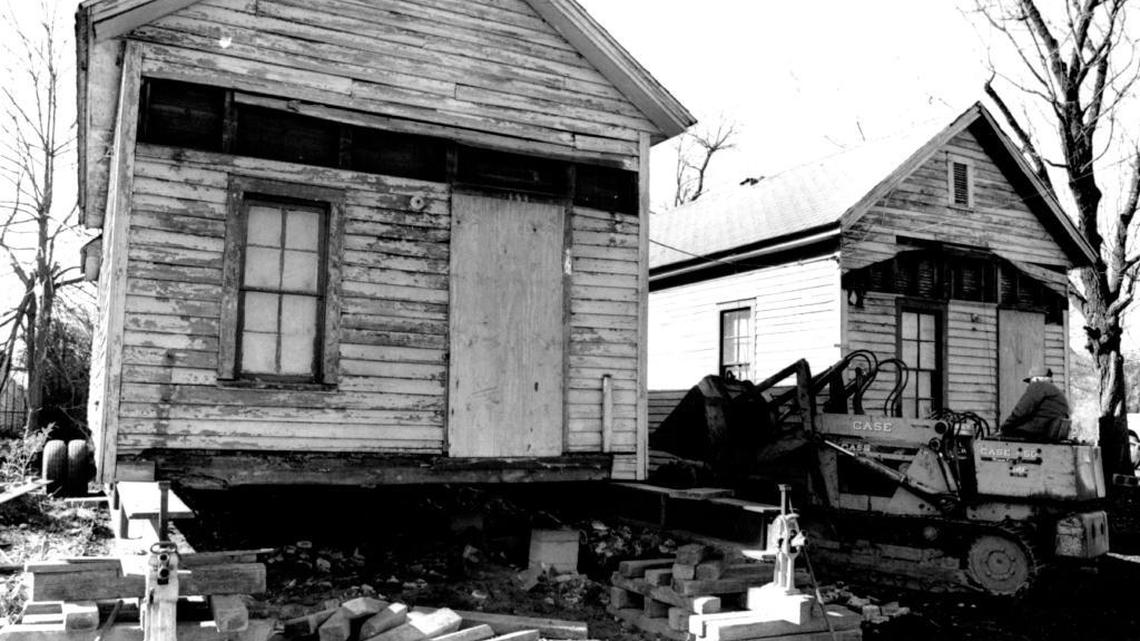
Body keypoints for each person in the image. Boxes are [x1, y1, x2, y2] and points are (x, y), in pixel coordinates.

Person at [999, 366, 1070, 441]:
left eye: (1030, 381)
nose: (1030, 384)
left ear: (1037, 379)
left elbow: (1021, 411)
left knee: (997, 440)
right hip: (1045, 433)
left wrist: (1005, 427)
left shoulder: (1038, 386)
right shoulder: (1056, 391)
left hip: (1034, 433)